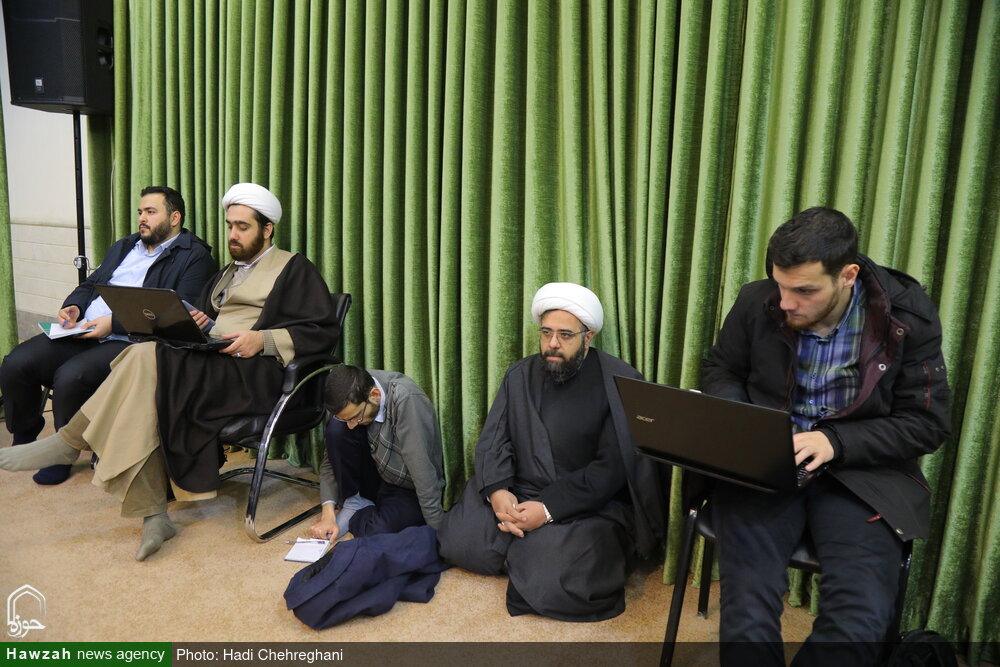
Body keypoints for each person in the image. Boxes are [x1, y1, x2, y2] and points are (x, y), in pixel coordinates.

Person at [0, 183, 338, 561]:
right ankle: (154, 515)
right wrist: (201, 322)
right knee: (141, 372)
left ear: (267, 228)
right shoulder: (228, 272)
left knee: (143, 356)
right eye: (230, 225)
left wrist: (262, 339)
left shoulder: (294, 268)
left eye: (243, 227)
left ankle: (69, 442)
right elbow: (215, 322)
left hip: (255, 373)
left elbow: (321, 330)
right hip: (213, 360)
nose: (233, 234)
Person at [701, 207, 950, 666]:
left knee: (858, 622)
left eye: (805, 291)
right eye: (780, 285)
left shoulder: (907, 315)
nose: (786, 302)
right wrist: (746, 422)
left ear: (847, 276)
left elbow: (926, 423)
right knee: (747, 610)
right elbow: (722, 369)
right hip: (768, 463)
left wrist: (835, 441)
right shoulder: (758, 301)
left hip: (861, 475)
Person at [437, 282, 666, 622]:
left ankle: (535, 548)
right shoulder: (520, 374)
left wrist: (547, 509)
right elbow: (493, 440)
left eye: (565, 335)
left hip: (586, 504)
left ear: (588, 337)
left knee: (554, 580)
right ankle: (524, 542)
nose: (553, 343)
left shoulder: (618, 380)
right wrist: (498, 492)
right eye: (546, 333)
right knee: (459, 541)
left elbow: (611, 469)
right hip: (520, 489)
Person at [0, 186, 215, 485]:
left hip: (130, 340)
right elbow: (91, 284)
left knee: (71, 377)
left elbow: (174, 315)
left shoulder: (195, 257)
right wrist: (74, 306)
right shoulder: (125, 246)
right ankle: (24, 435)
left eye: (150, 212)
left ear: (175, 217)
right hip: (86, 328)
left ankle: (63, 452)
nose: (142, 218)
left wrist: (112, 324)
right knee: (16, 363)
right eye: (140, 212)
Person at [309, 365, 445, 541]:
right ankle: (354, 501)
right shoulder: (346, 395)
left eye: (356, 417)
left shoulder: (406, 399)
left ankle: (362, 510)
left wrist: (438, 532)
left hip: (406, 486)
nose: (351, 425)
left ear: (375, 395)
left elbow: (423, 471)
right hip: (376, 473)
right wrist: (327, 515)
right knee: (337, 428)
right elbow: (331, 459)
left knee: (380, 532)